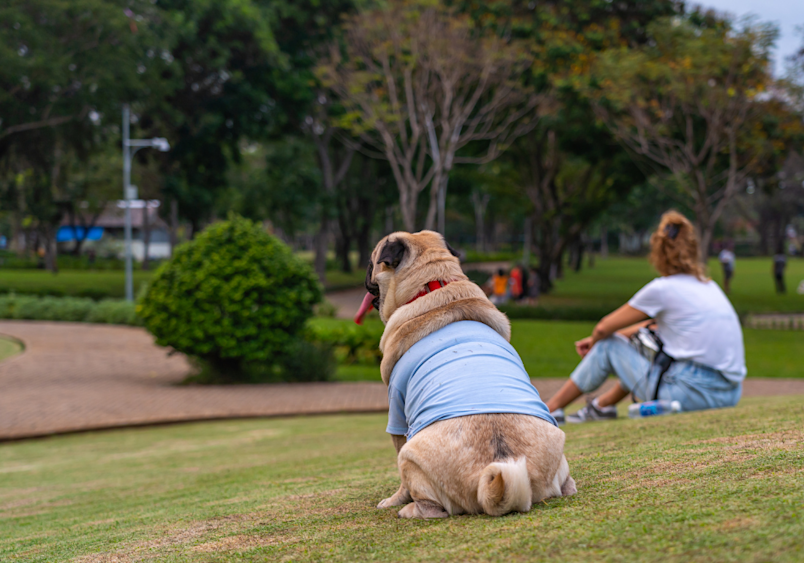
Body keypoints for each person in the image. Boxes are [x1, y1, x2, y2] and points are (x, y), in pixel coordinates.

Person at [545, 210, 745, 424]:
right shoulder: (709, 286)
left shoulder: (663, 289)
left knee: (609, 346)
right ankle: (603, 406)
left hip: (689, 394)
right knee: (641, 353)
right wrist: (620, 336)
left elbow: (603, 328)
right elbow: (657, 325)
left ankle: (550, 409)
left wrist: (595, 343)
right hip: (729, 394)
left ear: (658, 253)